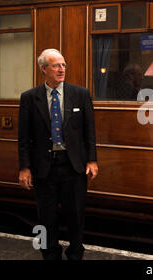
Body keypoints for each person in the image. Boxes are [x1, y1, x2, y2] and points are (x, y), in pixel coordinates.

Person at [18, 48, 98, 260]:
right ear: (44, 69)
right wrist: (25, 167)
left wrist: (92, 160)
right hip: (44, 169)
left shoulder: (80, 94)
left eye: (63, 65)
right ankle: (49, 255)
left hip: (74, 167)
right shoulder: (29, 98)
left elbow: (89, 131)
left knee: (76, 216)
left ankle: (75, 254)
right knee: (46, 219)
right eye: (56, 65)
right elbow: (24, 137)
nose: (61, 69)